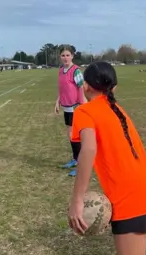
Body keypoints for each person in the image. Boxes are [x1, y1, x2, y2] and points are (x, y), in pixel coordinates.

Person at [67, 61, 146, 255]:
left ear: (86, 86)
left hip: (131, 193)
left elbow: (89, 150)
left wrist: (76, 200)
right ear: (114, 87)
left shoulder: (85, 111)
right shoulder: (115, 107)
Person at [54, 46, 87, 177]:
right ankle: (75, 159)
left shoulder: (76, 71)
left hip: (76, 107)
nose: (65, 58)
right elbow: (62, 89)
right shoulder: (61, 70)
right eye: (63, 55)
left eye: (68, 55)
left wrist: (82, 105)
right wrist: (57, 101)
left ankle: (81, 164)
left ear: (72, 56)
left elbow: (82, 88)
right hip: (66, 106)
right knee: (70, 135)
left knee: (76, 136)